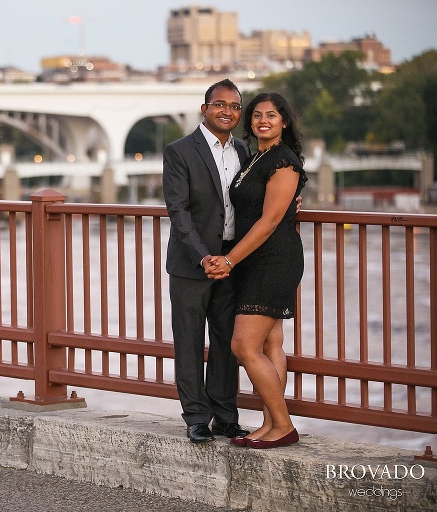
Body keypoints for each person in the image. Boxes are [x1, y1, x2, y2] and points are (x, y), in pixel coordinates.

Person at [206, 92, 307, 449]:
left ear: (284, 122)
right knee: (271, 342)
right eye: (257, 115)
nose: (263, 120)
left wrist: (230, 259)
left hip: (273, 260)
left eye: (272, 115)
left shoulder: (283, 161)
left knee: (243, 345)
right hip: (255, 261)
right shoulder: (256, 158)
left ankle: (283, 425)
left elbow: (269, 221)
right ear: (250, 123)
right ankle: (270, 424)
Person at [162, 78, 251, 443]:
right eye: (219, 105)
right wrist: (204, 258)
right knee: (188, 340)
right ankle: (196, 417)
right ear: (205, 109)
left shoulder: (245, 151)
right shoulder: (180, 151)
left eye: (233, 106)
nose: (226, 111)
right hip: (191, 262)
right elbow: (178, 210)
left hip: (233, 260)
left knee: (227, 341)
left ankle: (225, 417)